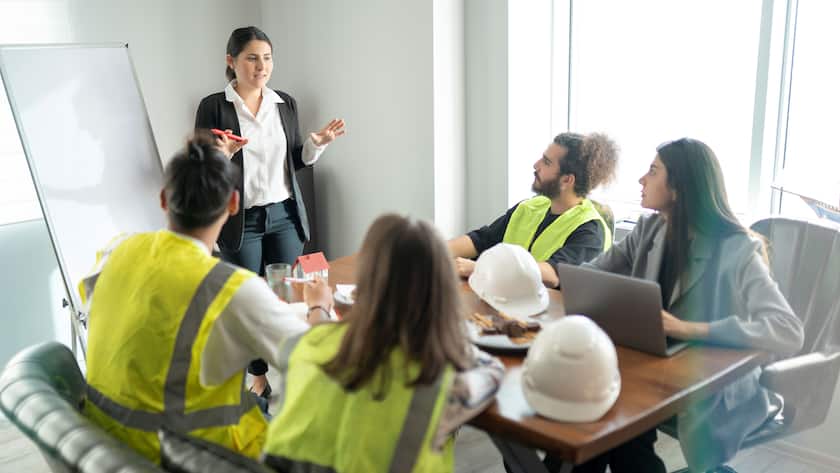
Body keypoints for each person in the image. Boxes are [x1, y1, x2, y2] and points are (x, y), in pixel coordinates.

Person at [542, 138, 805, 473]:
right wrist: (551, 277)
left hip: (713, 386)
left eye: (652, 171)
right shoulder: (649, 229)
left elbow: (787, 331)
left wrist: (685, 329)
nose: (641, 180)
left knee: (608, 422)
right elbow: (592, 273)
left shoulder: (738, 249)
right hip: (652, 370)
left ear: (679, 187)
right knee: (596, 420)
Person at [79, 133, 333, 463]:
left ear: (163, 199)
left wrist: (215, 160)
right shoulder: (229, 288)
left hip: (109, 446)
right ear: (233, 204)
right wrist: (319, 304)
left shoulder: (117, 250)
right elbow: (319, 359)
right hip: (187, 457)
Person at [261, 214, 505, 473]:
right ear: (441, 290)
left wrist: (319, 306)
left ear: (365, 280)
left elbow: (320, 334)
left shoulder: (305, 344)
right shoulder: (443, 380)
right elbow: (493, 373)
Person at [195, 26, 346, 398]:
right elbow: (201, 167)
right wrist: (223, 156)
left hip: (284, 216)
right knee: (247, 304)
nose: (261, 66)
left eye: (267, 58)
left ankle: (293, 370)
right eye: (251, 57)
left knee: (286, 300)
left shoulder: (285, 103)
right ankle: (257, 375)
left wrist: (316, 144)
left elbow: (295, 161)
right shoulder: (214, 106)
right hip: (240, 222)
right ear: (231, 62)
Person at [448, 132, 619, 288]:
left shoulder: (590, 231)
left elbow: (552, 274)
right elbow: (482, 240)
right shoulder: (530, 207)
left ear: (567, 180)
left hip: (550, 315)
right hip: (509, 301)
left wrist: (482, 268)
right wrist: (434, 250)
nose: (536, 165)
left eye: (546, 162)